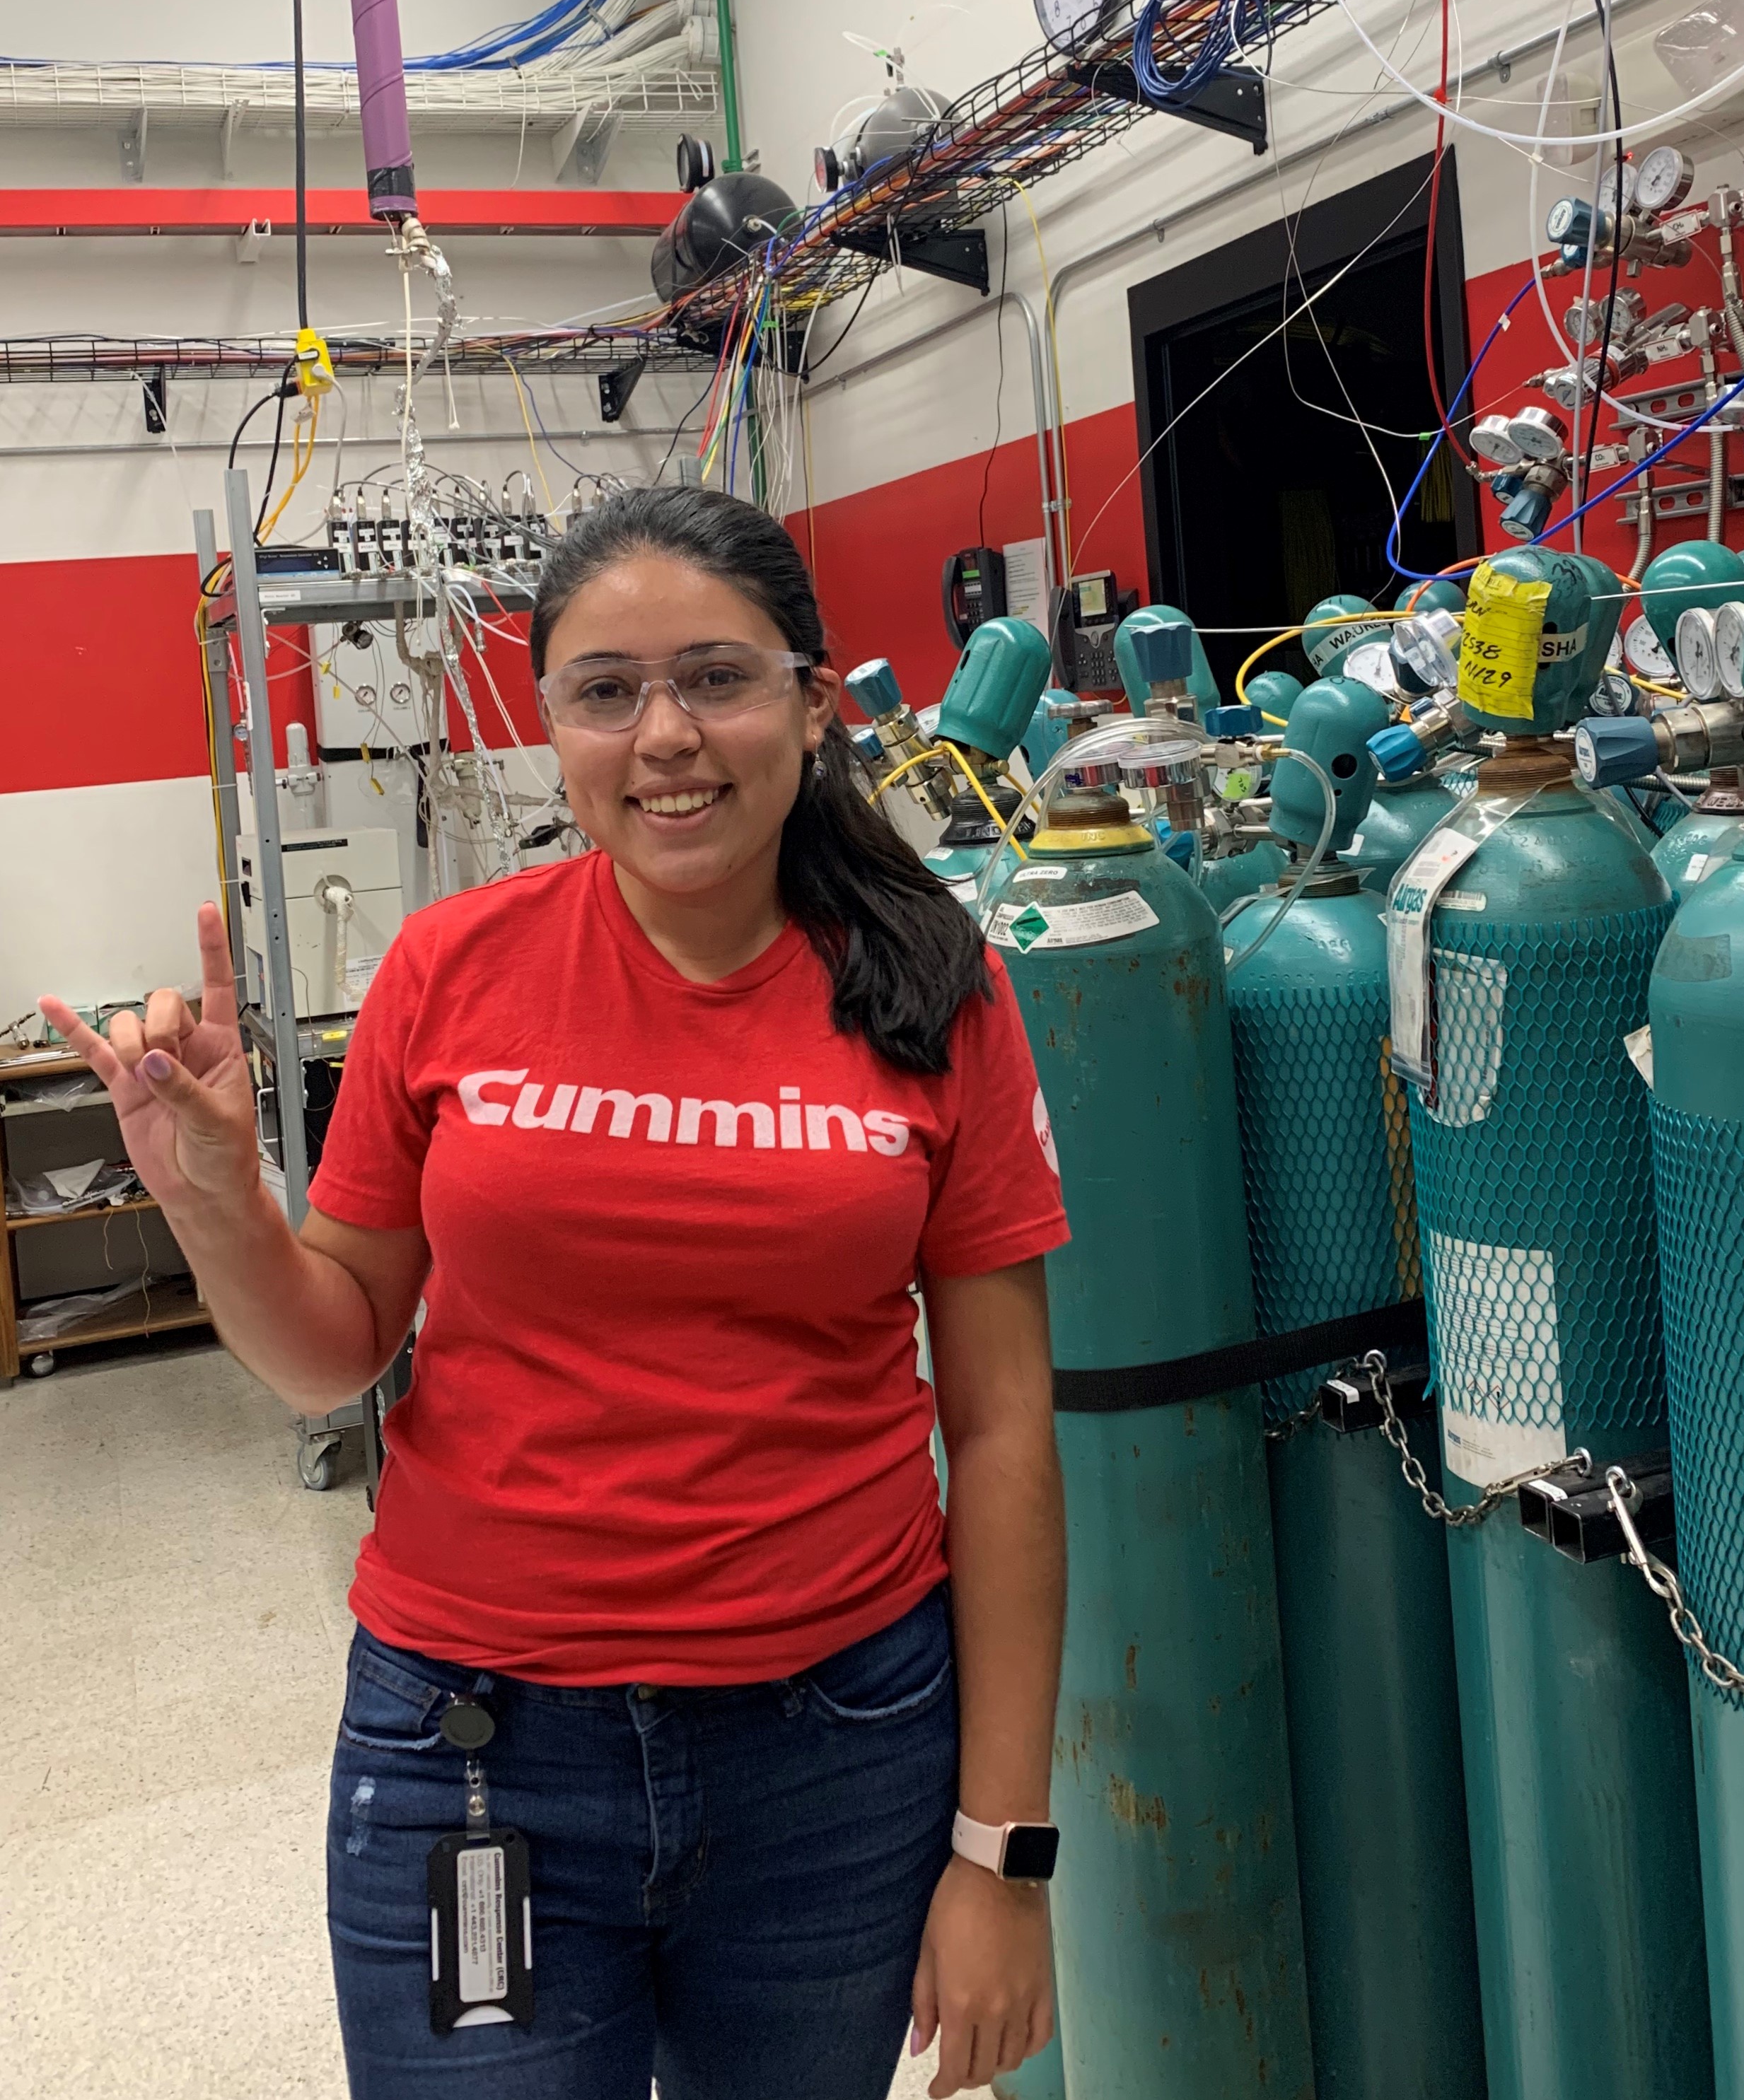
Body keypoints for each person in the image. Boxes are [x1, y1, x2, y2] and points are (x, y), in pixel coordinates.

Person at [43, 486, 1069, 2100]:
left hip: (838, 1753)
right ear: (554, 727)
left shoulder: (936, 983)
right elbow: (335, 1352)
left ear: (810, 702)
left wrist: (1001, 1855)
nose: (664, 735)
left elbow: (1004, 1431)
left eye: (715, 678)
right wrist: (217, 1201)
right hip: (477, 1749)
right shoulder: (452, 968)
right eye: (606, 692)